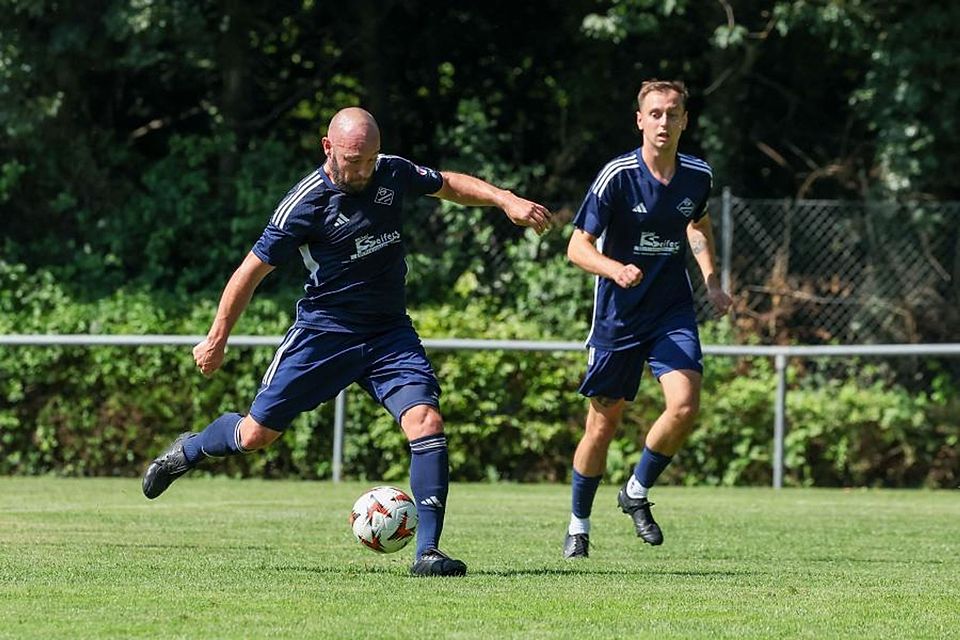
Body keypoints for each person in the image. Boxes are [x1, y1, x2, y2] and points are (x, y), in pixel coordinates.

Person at [142, 107, 552, 577]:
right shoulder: (304, 205)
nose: (361, 170)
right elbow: (248, 273)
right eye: (353, 159)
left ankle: (429, 552)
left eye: (369, 160)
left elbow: (447, 184)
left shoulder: (390, 171)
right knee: (256, 435)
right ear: (328, 147)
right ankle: (189, 450)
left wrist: (505, 199)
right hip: (324, 334)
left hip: (388, 333)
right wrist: (216, 339)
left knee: (426, 421)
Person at [562, 81, 732, 559]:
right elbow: (577, 247)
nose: (663, 122)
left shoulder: (698, 174)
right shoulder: (617, 176)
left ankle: (635, 490)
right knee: (603, 423)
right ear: (640, 120)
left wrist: (712, 281)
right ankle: (578, 524)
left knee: (684, 406)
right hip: (618, 315)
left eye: (672, 114)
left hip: (670, 309)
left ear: (684, 121)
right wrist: (615, 269)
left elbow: (696, 222)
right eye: (654, 113)